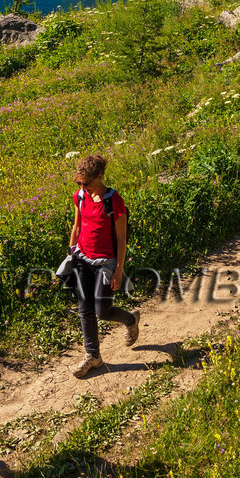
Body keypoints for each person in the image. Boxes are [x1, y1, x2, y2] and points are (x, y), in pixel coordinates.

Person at [67, 154, 139, 378]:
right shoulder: (80, 196)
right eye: (80, 183)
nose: (83, 187)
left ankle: (130, 320)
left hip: (106, 263)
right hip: (82, 258)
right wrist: (70, 255)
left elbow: (121, 239)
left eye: (86, 183)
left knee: (103, 311)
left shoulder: (114, 201)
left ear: (99, 176)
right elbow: (77, 227)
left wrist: (118, 271)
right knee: (85, 309)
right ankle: (93, 356)